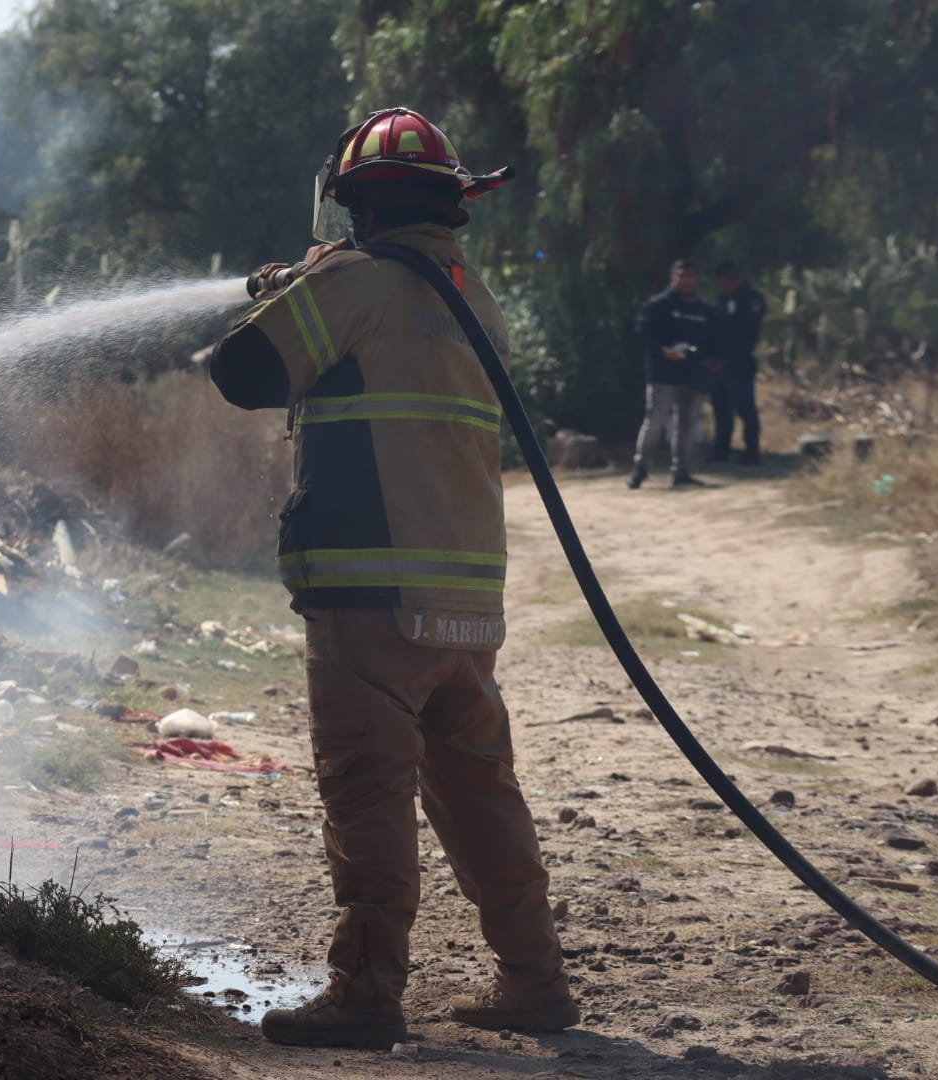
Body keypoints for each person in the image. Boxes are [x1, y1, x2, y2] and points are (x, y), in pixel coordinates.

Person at [208, 107, 577, 1050]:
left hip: (370, 597)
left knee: (368, 789)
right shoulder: (469, 293)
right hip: (466, 604)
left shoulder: (356, 278)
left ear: (357, 204)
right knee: (480, 790)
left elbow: (245, 370)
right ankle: (533, 981)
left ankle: (366, 996)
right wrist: (307, 282)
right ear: (448, 204)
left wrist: (292, 285)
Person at [627, 259, 718, 489]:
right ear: (673, 278)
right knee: (655, 422)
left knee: (686, 426)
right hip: (662, 376)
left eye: (690, 276)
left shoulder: (704, 310)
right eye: (682, 276)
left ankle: (682, 473)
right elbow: (643, 334)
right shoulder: (657, 306)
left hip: (693, 378)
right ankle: (640, 469)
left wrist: (711, 362)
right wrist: (665, 352)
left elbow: (716, 341)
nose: (686, 280)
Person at [709, 261, 766, 464]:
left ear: (736, 278)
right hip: (719, 363)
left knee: (745, 408)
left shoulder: (751, 299)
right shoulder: (722, 300)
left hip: (739, 362)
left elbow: (745, 333)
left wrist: (728, 357)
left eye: (727, 281)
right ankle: (721, 449)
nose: (723, 286)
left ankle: (752, 450)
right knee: (721, 408)